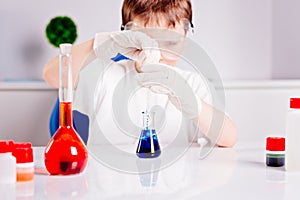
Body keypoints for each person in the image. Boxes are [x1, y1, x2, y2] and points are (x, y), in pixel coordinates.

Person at [43, 0, 237, 148]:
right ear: (127, 35)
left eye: (170, 42)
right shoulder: (106, 75)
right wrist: (104, 42)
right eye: (147, 41)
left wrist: (192, 102)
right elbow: (51, 75)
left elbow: (229, 138)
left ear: (186, 38)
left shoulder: (191, 83)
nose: (159, 53)